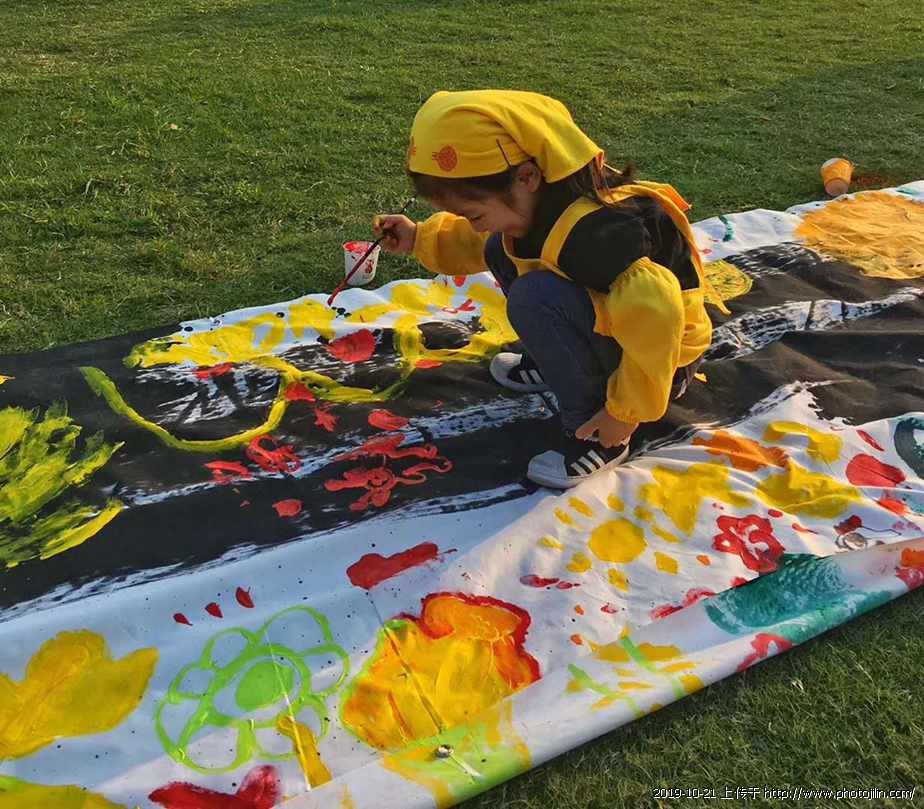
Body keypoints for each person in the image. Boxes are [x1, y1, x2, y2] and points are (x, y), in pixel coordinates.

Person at [375, 90, 727, 489]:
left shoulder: (597, 236)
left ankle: (593, 431)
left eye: (474, 214)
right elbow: (481, 235)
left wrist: (624, 414)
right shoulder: (542, 199)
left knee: (535, 297)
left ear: (526, 177)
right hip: (626, 337)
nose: (474, 224)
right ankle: (561, 362)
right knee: (500, 248)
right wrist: (419, 237)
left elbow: (657, 322)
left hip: (660, 365)